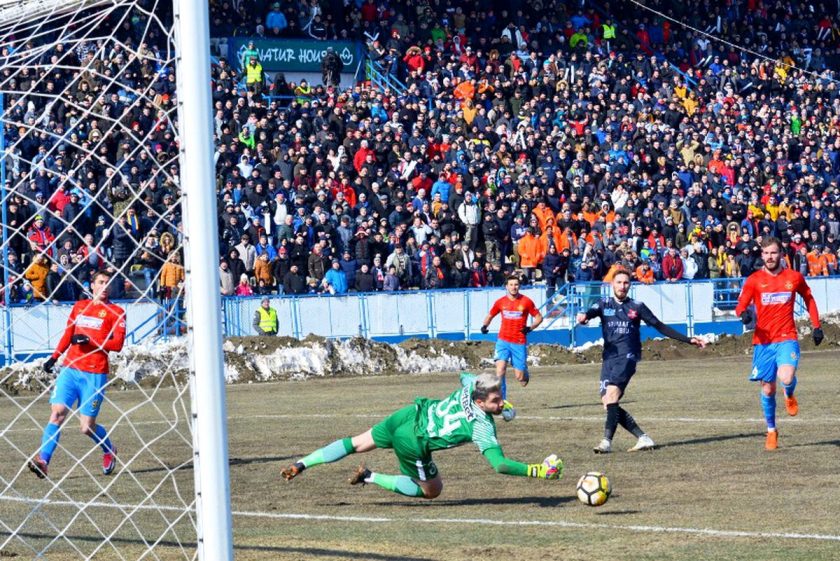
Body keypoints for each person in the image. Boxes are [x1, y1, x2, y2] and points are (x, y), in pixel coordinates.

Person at [280, 372, 563, 498]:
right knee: (432, 490)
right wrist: (537, 471)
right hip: (413, 441)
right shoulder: (482, 426)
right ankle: (370, 477)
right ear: (479, 402)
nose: (500, 404)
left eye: (501, 398)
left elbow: (465, 375)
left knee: (357, 442)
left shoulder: (470, 387)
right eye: (495, 401)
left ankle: (302, 463)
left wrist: (500, 403)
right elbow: (499, 465)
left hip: (408, 414)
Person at [576, 269, 707, 453]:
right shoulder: (604, 304)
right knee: (608, 403)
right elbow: (591, 312)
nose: (622, 286)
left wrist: (688, 339)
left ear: (630, 285)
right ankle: (643, 438)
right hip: (609, 358)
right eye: (619, 282)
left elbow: (659, 326)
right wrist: (584, 317)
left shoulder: (637, 306)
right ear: (612, 284)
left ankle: (606, 442)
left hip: (627, 356)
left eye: (626, 283)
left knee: (611, 396)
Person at [29, 271, 126, 478]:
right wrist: (54, 357)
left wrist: (91, 341)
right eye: (101, 282)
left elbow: (117, 344)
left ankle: (109, 449)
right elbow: (68, 334)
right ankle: (43, 461)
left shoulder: (117, 312)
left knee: (86, 427)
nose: (104, 286)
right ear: (92, 285)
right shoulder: (80, 306)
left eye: (108, 283)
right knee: (57, 413)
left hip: (95, 373)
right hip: (71, 369)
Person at [734, 236, 823, 450]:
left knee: (786, 377)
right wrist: (743, 314)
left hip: (787, 337)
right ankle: (772, 430)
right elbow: (741, 305)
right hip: (763, 342)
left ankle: (789, 394)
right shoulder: (754, 280)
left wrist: (816, 325)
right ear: (762, 255)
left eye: (773, 252)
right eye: (766, 253)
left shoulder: (794, 277)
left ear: (781, 254)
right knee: (767, 390)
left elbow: (809, 299)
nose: (770, 257)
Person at [479, 275, 542, 420]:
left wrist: (530, 328)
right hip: (503, 341)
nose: (514, 287)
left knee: (521, 379)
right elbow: (490, 315)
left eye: (516, 284)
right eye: (511, 284)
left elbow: (539, 317)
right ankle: (503, 402)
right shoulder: (500, 302)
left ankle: (524, 372)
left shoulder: (526, 301)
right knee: (500, 370)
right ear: (506, 286)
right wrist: (484, 326)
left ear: (519, 286)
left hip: (518, 342)